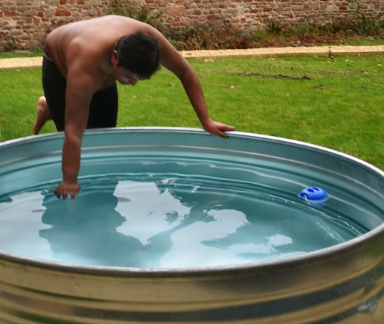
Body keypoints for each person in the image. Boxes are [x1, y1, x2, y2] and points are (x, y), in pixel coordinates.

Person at [32, 15, 236, 199]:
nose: (133, 84)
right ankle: (49, 107)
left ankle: (48, 108)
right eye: (130, 78)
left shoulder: (148, 39)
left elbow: (185, 72)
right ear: (115, 57)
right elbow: (74, 134)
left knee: (103, 140)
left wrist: (206, 120)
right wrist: (69, 180)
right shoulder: (85, 68)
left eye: (137, 79)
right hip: (61, 64)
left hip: (104, 66)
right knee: (75, 127)